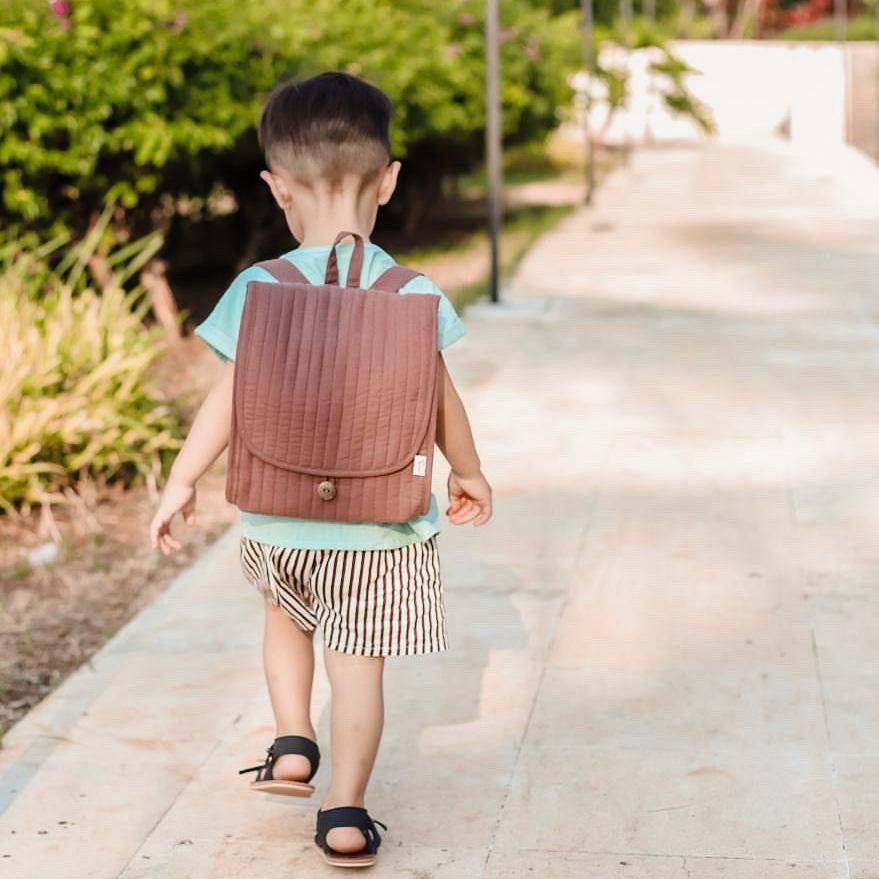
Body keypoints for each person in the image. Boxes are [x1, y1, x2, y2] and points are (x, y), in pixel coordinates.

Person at [148, 71, 492, 868]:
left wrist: (180, 479)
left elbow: (226, 401)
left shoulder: (258, 287)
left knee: (283, 622)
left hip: (277, 522)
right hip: (380, 530)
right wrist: (468, 473)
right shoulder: (415, 292)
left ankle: (292, 740)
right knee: (359, 670)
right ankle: (344, 814)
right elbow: (441, 403)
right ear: (390, 178)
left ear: (276, 189)